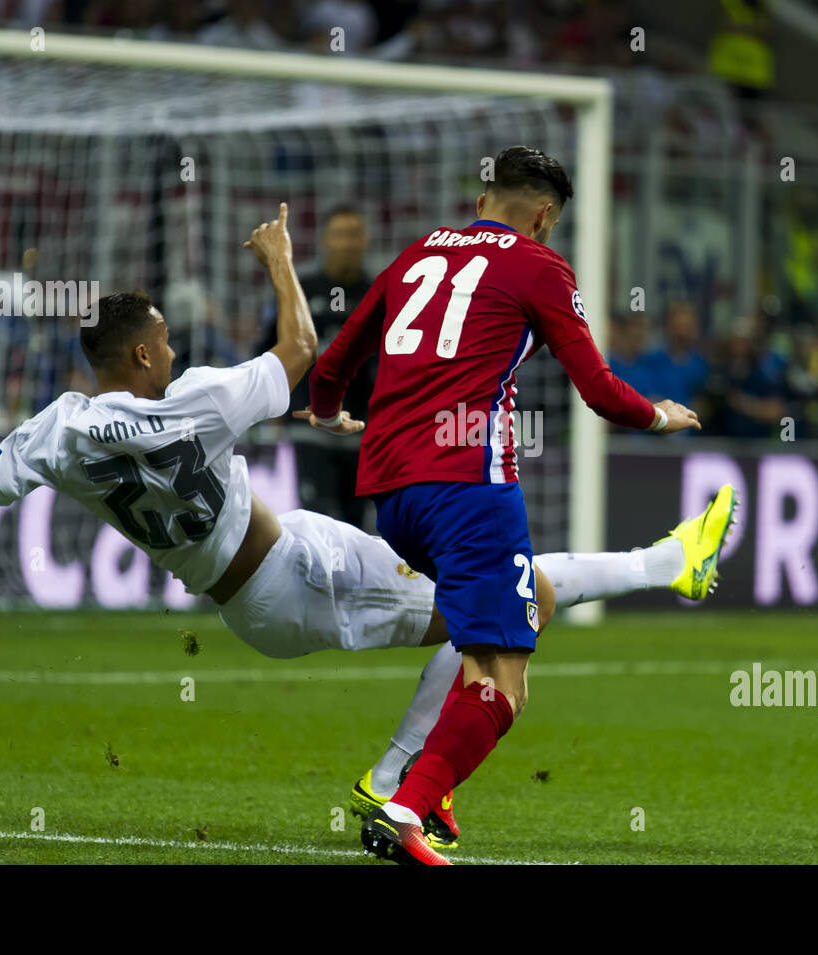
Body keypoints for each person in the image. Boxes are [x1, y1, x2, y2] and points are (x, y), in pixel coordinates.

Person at [0, 204, 727, 853]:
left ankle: (667, 561)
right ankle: (398, 782)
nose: (178, 350)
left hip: (256, 592)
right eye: (167, 340)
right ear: (144, 356)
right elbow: (302, 352)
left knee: (496, 598)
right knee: (500, 609)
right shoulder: (194, 404)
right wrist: (280, 260)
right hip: (298, 574)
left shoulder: (55, 430)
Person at [305, 146, 736, 864]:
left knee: (525, 596)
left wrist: (326, 415)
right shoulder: (540, 265)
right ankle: (406, 806)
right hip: (468, 485)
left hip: (389, 493)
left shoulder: (417, 254)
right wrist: (658, 415)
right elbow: (598, 391)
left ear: (483, 200)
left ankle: (398, 781)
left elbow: (332, 366)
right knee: (503, 682)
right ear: (543, 215)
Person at [260, 205, 375, 528]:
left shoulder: (378, 291)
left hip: (361, 431)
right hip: (307, 427)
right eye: (340, 234)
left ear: (365, 240)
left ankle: (350, 581)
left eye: (354, 234)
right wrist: (272, 409)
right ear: (325, 240)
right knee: (318, 520)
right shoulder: (302, 291)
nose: (347, 243)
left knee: (356, 526)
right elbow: (270, 349)